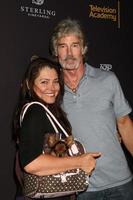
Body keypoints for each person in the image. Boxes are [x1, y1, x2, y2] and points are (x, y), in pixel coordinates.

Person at [50, 18, 133, 200]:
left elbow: (125, 123)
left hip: (120, 182)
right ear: (56, 51)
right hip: (82, 187)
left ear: (84, 49)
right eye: (63, 46)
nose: (69, 53)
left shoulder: (108, 80)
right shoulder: (52, 90)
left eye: (75, 45)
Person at [13, 57, 100, 200]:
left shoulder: (49, 111)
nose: (52, 88)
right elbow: (31, 163)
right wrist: (79, 162)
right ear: (29, 85)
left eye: (55, 82)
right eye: (44, 82)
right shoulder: (35, 111)